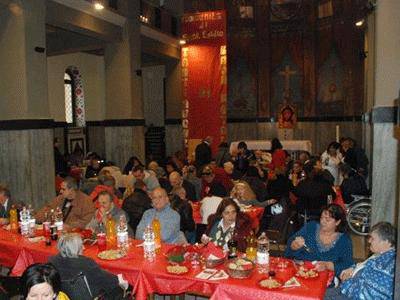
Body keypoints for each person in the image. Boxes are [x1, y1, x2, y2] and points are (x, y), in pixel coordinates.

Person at [324, 222, 396, 300]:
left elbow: (364, 296)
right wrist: (352, 269)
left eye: (373, 238)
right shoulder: (381, 254)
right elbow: (363, 265)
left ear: (386, 242)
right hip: (348, 287)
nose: (369, 241)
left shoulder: (387, 268)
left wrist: (347, 280)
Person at [49, 233, 126, 299]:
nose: (84, 247)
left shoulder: (52, 262)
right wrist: (120, 280)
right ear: (75, 249)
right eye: (81, 246)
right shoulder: (85, 263)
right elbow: (111, 281)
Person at [285, 204, 354, 277]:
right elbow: (290, 246)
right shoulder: (311, 227)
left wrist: (327, 265)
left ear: (337, 222)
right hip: (301, 271)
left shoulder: (344, 241)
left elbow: (347, 264)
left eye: (327, 220)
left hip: (326, 278)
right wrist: (294, 246)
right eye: (322, 218)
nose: (323, 222)